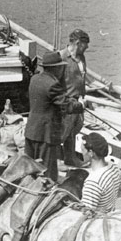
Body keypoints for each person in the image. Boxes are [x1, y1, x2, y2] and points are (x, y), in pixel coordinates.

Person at [24, 50, 84, 182]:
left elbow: (48, 99)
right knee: (48, 174)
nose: (63, 69)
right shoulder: (52, 84)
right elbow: (67, 106)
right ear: (56, 68)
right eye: (61, 67)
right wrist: (80, 105)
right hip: (46, 135)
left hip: (31, 131)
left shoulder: (35, 79)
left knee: (30, 170)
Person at [60, 29, 90, 167]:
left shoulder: (81, 57)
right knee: (63, 133)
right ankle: (54, 161)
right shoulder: (61, 58)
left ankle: (70, 158)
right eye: (85, 44)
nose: (87, 47)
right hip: (68, 102)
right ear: (78, 43)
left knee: (73, 132)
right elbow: (53, 82)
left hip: (80, 101)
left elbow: (83, 77)